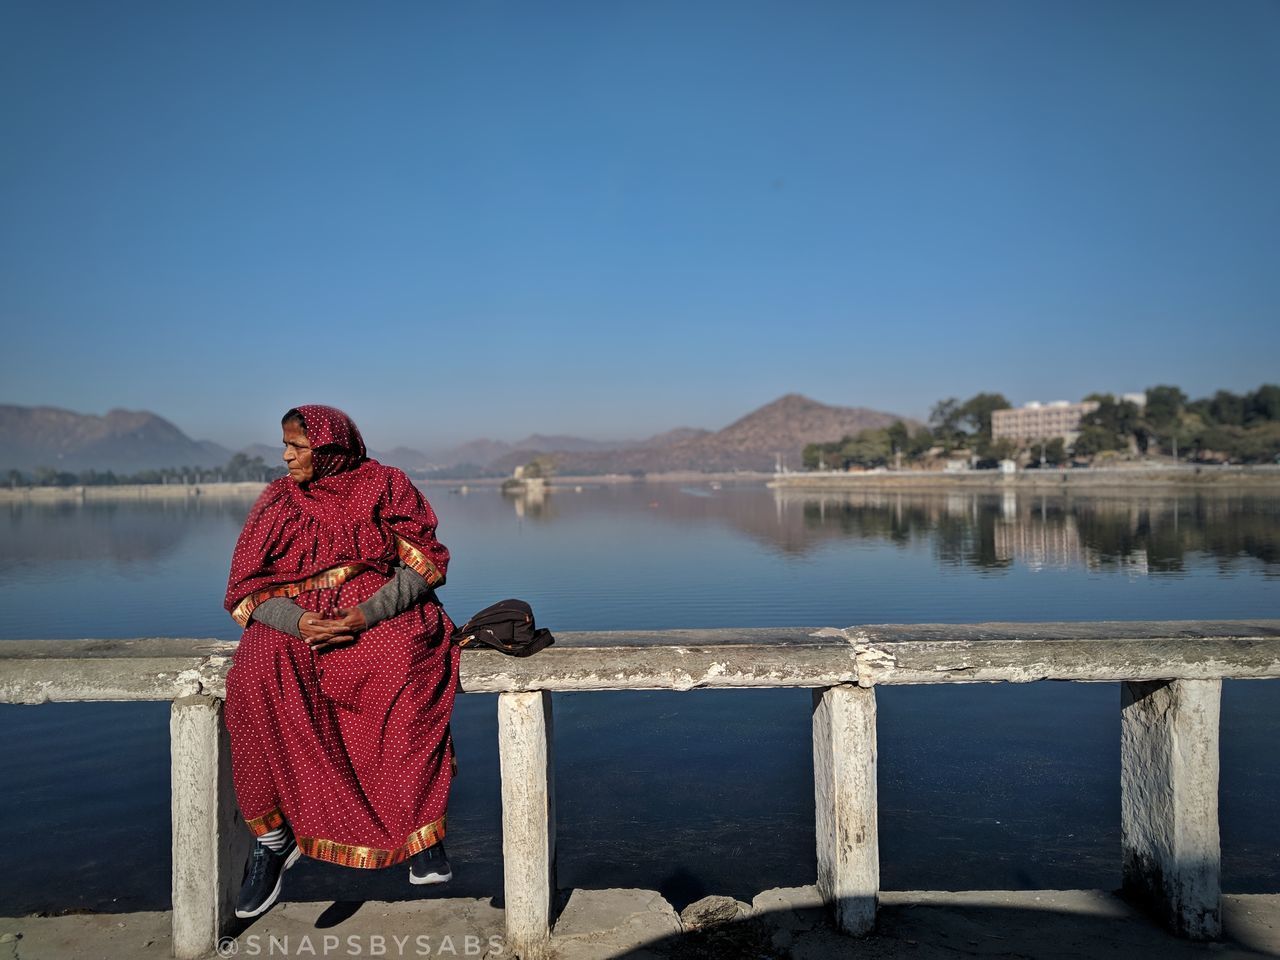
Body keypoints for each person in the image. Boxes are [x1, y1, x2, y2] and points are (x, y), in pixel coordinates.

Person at [223, 404, 459, 919]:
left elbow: (425, 563)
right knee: (256, 674)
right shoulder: (278, 500)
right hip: (297, 619)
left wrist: (367, 614)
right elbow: (247, 586)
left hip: (373, 614)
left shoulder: (385, 484)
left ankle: (420, 833)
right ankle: (273, 840)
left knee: (401, 665)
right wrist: (298, 623)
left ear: (329, 449)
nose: (287, 456)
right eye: (285, 445)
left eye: (297, 447)